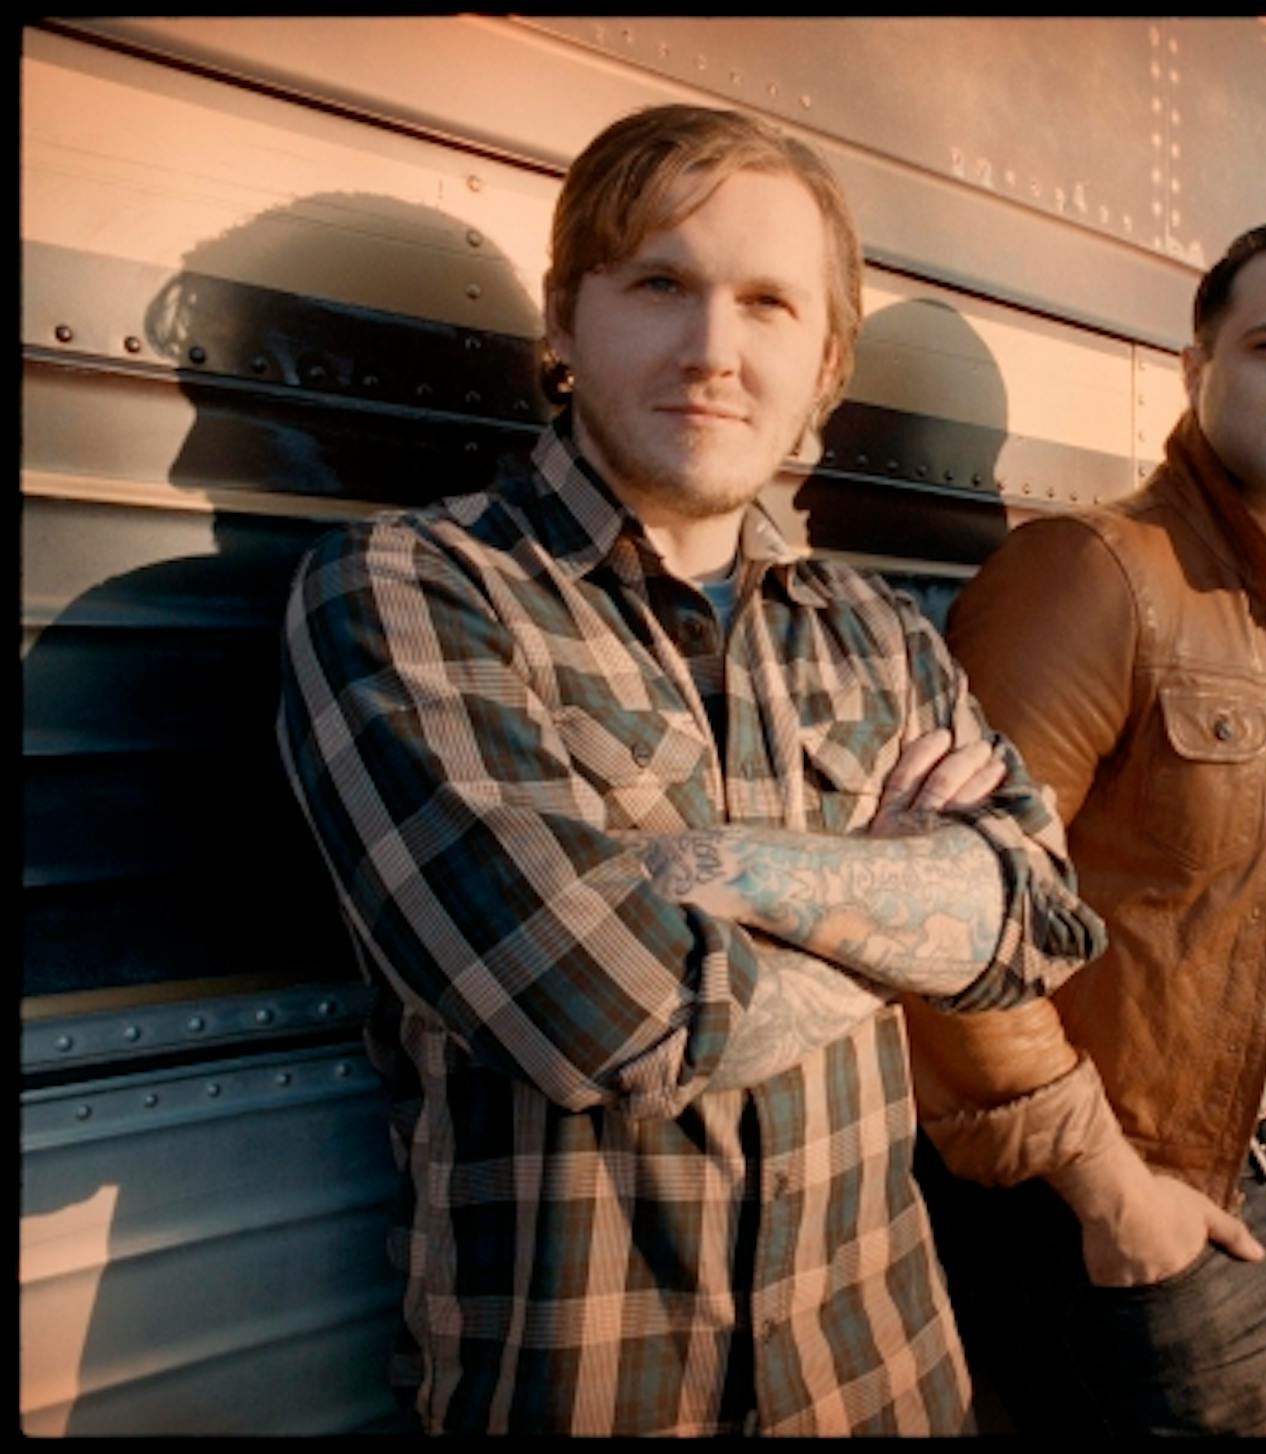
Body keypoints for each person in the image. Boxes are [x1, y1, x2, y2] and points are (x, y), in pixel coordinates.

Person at [275, 104, 1105, 1436]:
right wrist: (900, 901)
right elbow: (604, 1011)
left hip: (883, 1377)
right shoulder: (411, 590)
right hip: (585, 1396)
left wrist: (712, 874)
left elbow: (1041, 916)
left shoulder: (878, 626)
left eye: (769, 303)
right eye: (661, 283)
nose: (714, 350)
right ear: (563, 320)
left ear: (827, 361)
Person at [900, 217, 1266, 1436]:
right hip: (1158, 1206)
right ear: (1198, 369)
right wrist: (1109, 1190)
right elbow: (945, 926)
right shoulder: (1093, 573)